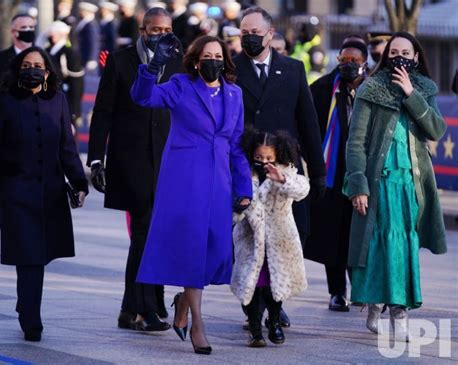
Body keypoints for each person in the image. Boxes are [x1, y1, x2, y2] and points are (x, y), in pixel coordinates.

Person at [131, 34, 252, 354]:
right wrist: (152, 66)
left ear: (225, 61)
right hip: (184, 182)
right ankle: (197, 324)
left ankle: (183, 303)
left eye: (218, 56)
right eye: (207, 56)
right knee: (193, 250)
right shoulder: (181, 85)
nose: (213, 61)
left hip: (220, 183)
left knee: (216, 254)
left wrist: (244, 187)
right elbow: (144, 98)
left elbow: (237, 145)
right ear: (196, 62)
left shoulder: (234, 94)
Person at [344, 32, 447, 341]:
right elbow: (355, 143)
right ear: (386, 56)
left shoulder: (425, 89)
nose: (400, 57)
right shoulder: (371, 89)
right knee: (381, 244)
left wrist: (410, 93)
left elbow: (436, 131)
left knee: (404, 246)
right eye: (394, 52)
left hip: (412, 184)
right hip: (380, 182)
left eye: (407, 52)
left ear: (416, 57)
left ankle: (398, 309)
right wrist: (358, 184)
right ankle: (382, 305)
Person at [87, 7, 183, 332]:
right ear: (143, 31)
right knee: (144, 231)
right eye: (156, 30)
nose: (162, 35)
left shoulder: (178, 60)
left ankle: (132, 308)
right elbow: (103, 111)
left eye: (167, 29)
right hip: (132, 161)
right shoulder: (120, 60)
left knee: (156, 233)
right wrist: (96, 158)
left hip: (168, 161)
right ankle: (146, 310)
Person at [0, 46, 88, 342]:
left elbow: (67, 146)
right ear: (18, 70)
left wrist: (80, 184)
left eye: (37, 65)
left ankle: (25, 302)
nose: (32, 69)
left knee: (38, 255)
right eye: (26, 64)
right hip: (16, 190)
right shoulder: (5, 102)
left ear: (47, 71)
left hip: (50, 191)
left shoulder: (58, 100)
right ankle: (32, 319)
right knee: (28, 253)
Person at [234, 5, 325, 328]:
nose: (249, 39)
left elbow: (309, 123)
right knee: (248, 238)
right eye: (244, 33)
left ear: (270, 35)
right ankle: (253, 307)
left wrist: (318, 171)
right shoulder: (231, 69)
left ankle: (275, 303)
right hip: (246, 168)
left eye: (255, 33)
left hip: (282, 172)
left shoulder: (293, 69)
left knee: (281, 240)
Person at [305, 40, 368, 312]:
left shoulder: (373, 90)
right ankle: (337, 291)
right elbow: (308, 126)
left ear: (365, 63)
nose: (348, 65)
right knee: (333, 232)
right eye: (344, 59)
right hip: (331, 172)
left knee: (359, 231)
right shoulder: (322, 89)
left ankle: (362, 288)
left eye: (355, 61)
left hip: (362, 173)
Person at [231, 129, 310, 347]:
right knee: (253, 285)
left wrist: (282, 179)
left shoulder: (287, 172)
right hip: (251, 242)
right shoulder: (244, 173)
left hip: (280, 240)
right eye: (258, 158)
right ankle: (255, 329)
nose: (264, 162)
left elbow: (303, 189)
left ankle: (274, 321)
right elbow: (233, 206)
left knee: (276, 285)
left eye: (268, 158)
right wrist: (239, 207)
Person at [46, 20, 85, 127]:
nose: (51, 36)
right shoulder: (47, 51)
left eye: (53, 34)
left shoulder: (70, 53)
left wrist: (75, 111)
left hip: (65, 99)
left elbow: (77, 84)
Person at [75, 2, 99, 71]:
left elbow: (93, 42)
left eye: (82, 10)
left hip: (87, 56)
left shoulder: (91, 24)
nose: (80, 12)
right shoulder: (84, 22)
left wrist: (92, 58)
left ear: (87, 12)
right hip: (82, 55)